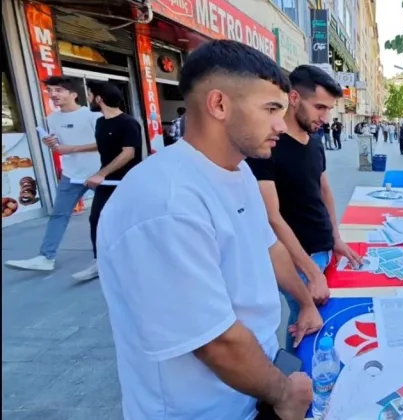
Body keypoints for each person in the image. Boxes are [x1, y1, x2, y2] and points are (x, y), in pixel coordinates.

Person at [95, 40, 318, 420]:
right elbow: (215, 343)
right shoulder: (166, 203)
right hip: (203, 407)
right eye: (270, 109)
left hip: (255, 384)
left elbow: (269, 248)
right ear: (219, 105)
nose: (282, 124)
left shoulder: (239, 168)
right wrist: (284, 393)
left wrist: (306, 301)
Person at [247, 65, 362, 354]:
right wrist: (311, 272)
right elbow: (271, 218)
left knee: (318, 324)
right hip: (296, 262)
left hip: (322, 251)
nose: (325, 117)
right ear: (294, 98)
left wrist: (336, 238)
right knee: (305, 327)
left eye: (329, 109)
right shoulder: (269, 146)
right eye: (319, 107)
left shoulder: (316, 143)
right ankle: (295, 381)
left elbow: (324, 191)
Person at [5, 76, 101, 274]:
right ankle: (46, 257)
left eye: (59, 90)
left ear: (73, 94)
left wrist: (71, 148)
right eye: (50, 90)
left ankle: (103, 258)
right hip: (71, 175)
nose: (53, 95)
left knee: (102, 216)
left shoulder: (92, 116)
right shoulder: (52, 119)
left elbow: (104, 144)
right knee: (58, 215)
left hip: (99, 173)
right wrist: (52, 145)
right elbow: (59, 148)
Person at [66, 82, 143, 282]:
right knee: (96, 219)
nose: (89, 98)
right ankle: (99, 262)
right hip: (106, 183)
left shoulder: (128, 123)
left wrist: (101, 174)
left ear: (99, 99)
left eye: (90, 95)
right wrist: (72, 149)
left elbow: (128, 153)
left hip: (127, 183)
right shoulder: (101, 123)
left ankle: (138, 259)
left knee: (129, 222)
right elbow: (102, 145)